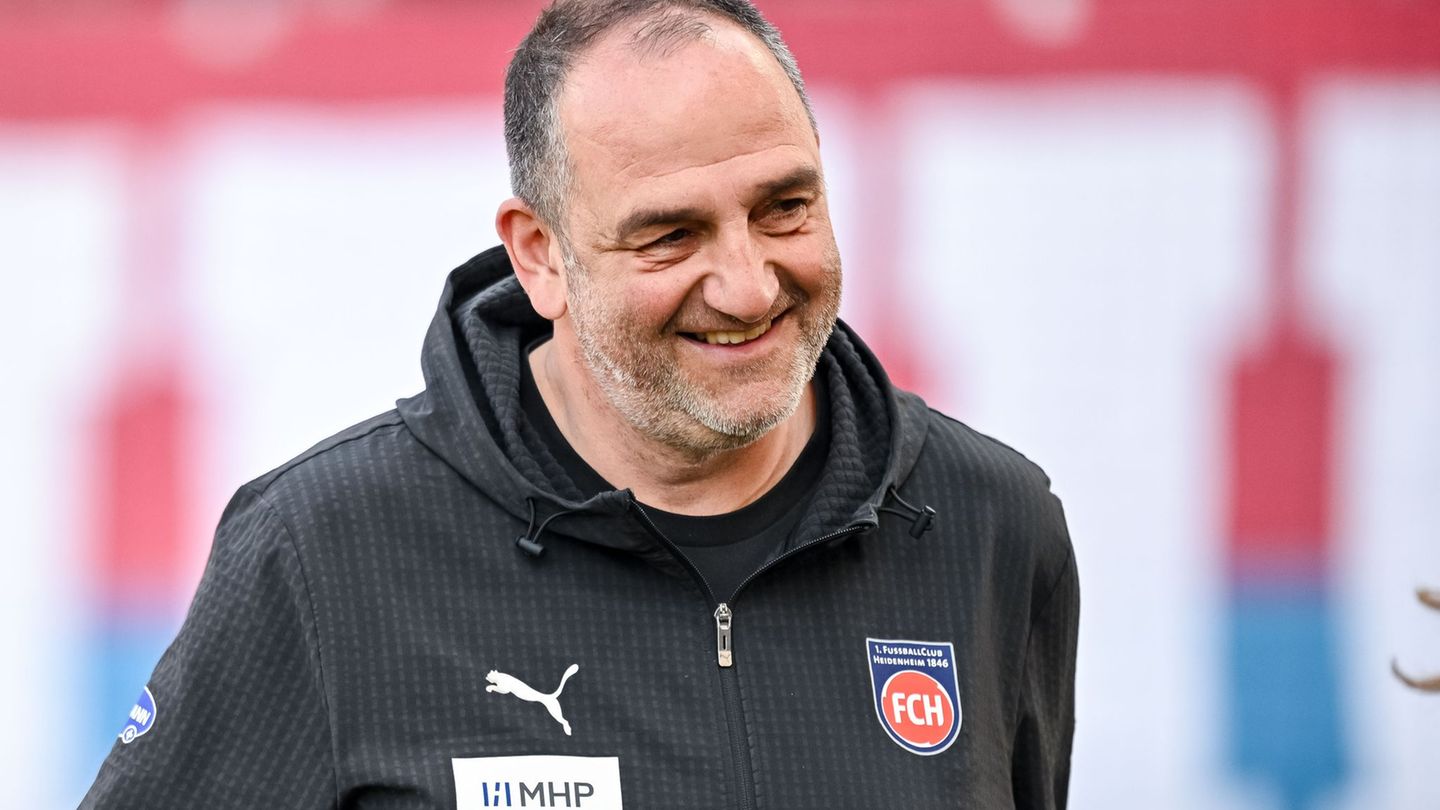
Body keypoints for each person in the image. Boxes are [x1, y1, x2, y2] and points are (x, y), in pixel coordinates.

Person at [82, 0, 1078, 807]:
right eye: (669, 237)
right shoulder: (323, 552)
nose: (747, 284)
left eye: (784, 208)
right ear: (540, 254)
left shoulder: (990, 524)